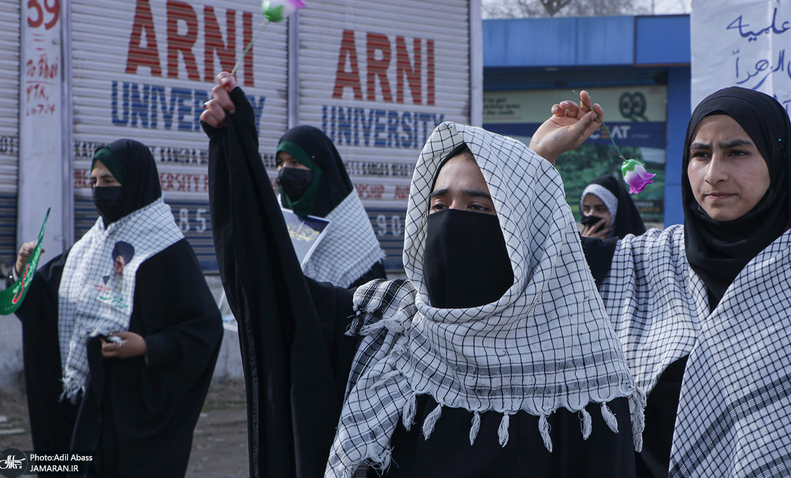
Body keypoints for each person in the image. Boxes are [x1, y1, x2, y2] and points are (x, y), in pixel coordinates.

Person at [201, 73, 644, 477]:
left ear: (517, 232)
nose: (451, 223)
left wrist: (532, 164)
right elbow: (270, 291)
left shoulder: (580, 379)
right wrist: (233, 152)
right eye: (438, 205)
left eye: (478, 208)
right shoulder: (382, 324)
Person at [530, 86, 791, 478]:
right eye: (700, 155)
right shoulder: (643, 262)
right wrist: (540, 156)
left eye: (737, 153)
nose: (714, 174)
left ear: (778, 159)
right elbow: (533, 263)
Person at [12, 139, 223, 477]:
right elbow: (47, 303)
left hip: (131, 406)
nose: (99, 190)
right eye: (94, 181)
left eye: (109, 181)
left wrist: (149, 345)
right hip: (84, 400)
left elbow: (204, 328)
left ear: (136, 181)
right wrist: (23, 274)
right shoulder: (90, 246)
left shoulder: (167, 249)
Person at [275, 125, 386, 288]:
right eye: (280, 163)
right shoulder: (275, 216)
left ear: (320, 166)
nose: (285, 170)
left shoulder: (350, 228)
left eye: (295, 162)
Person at [580, 175, 646, 240]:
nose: (591, 214)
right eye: (586, 209)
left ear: (615, 210)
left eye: (600, 209)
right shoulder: (579, 242)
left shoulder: (637, 243)